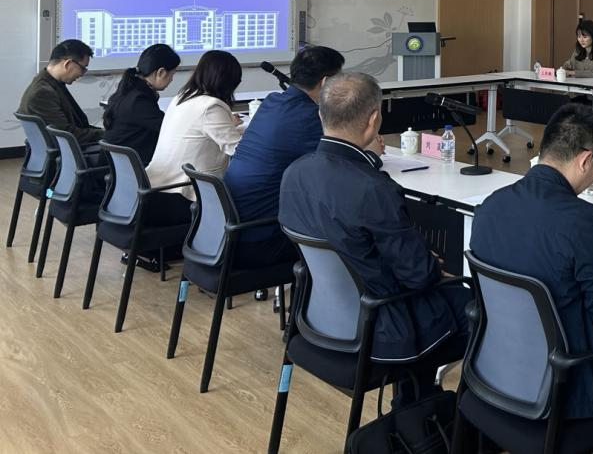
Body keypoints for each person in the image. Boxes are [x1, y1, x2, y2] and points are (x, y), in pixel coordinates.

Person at [471, 105, 593, 454]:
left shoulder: (490, 206)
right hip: (565, 383)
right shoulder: (579, 219)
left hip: (496, 368)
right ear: (585, 160)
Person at [279, 72, 469, 376]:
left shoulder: (294, 173)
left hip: (317, 316)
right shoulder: (372, 188)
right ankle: (426, 402)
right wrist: (427, 263)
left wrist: (416, 262)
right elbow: (419, 276)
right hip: (384, 329)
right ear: (374, 119)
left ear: (320, 115)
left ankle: (418, 402)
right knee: (476, 304)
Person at [224, 45, 344, 269]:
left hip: (232, 232)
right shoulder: (309, 116)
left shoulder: (271, 102)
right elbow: (340, 161)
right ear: (326, 82)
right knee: (345, 234)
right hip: (261, 240)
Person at [145, 50, 244, 226]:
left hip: (157, 189)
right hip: (182, 199)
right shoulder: (211, 107)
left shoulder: (181, 98)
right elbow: (238, 150)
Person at [101, 43, 181, 165]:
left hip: (119, 168)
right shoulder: (139, 100)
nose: (172, 79)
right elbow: (169, 129)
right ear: (161, 72)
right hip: (133, 168)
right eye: (172, 74)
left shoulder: (130, 90)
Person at [18, 38, 104, 148]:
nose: (82, 74)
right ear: (68, 64)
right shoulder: (43, 93)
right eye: (83, 68)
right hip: (68, 151)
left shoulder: (50, 84)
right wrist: (106, 134)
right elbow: (67, 134)